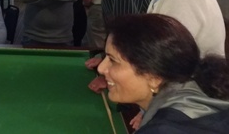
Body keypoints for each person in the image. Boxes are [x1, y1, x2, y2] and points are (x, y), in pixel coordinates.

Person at [98, 14, 229, 133]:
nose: (101, 68)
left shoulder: (164, 129)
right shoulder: (205, 89)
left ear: (154, 78)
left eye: (113, 60)